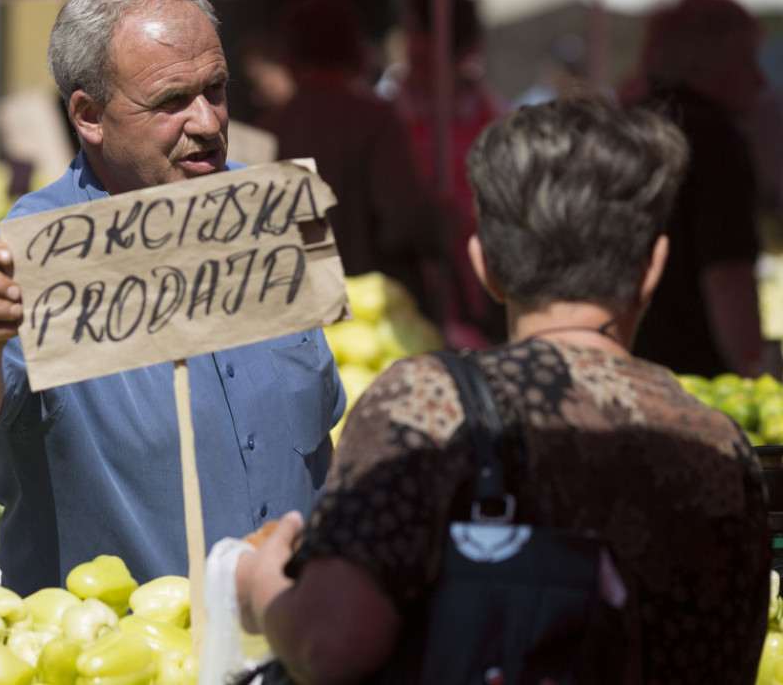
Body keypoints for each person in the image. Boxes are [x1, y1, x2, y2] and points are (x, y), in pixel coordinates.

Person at [236, 94, 770, 683]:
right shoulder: (722, 447)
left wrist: (265, 589)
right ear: (653, 268)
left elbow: (332, 642)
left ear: (485, 264)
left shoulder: (426, 406)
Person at [0, 0, 345, 596]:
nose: (206, 121)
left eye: (217, 89)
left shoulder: (264, 210)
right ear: (89, 117)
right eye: (171, 101)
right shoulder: (36, 251)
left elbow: (322, 427)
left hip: (293, 639)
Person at [256, 0, 442, 318]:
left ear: (287, 60)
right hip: (375, 319)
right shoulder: (376, 122)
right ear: (360, 58)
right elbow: (406, 220)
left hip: (290, 315)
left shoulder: (267, 131)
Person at [630, 0, 778, 378]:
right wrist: (756, 377)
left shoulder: (627, 126)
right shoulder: (713, 140)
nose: (760, 80)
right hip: (693, 376)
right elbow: (727, 273)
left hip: (619, 362)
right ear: (703, 64)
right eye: (746, 61)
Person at [377, 0, 507, 349]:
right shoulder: (384, 113)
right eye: (412, 43)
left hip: (480, 288)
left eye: (429, 51)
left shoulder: (494, 118)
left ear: (464, 51)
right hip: (402, 288)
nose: (415, 51)